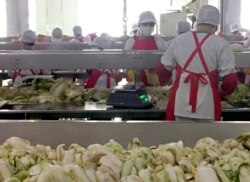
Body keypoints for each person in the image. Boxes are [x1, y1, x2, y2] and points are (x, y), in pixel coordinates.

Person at [161, 5, 238, 121]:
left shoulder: (179, 40)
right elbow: (230, 80)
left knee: (177, 138)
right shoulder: (221, 44)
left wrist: (164, 81)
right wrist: (222, 92)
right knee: (207, 139)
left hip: (179, 105)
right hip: (208, 108)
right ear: (215, 26)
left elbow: (163, 71)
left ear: (197, 22)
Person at [124, 11, 167, 86]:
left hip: (154, 80)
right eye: (145, 24)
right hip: (135, 80)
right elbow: (126, 62)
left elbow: (166, 60)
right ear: (139, 25)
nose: (148, 27)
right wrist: (130, 79)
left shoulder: (159, 42)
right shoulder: (130, 42)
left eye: (151, 24)